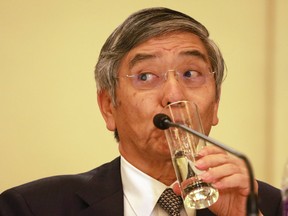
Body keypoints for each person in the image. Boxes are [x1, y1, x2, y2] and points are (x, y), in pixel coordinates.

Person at [0, 7, 282, 216]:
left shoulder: (268, 205)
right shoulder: (31, 207)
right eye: (146, 76)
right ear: (108, 107)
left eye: (190, 73)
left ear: (216, 103)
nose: (174, 95)